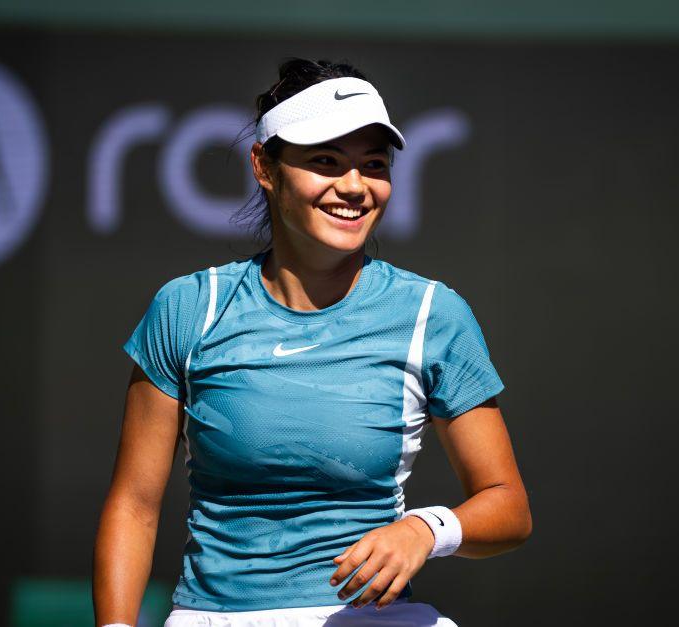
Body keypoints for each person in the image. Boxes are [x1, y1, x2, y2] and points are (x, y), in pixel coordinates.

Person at [93, 58, 532, 627]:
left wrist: (426, 529)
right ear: (265, 167)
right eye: (325, 162)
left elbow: (509, 507)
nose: (354, 187)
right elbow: (134, 507)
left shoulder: (433, 314)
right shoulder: (187, 308)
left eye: (373, 165)